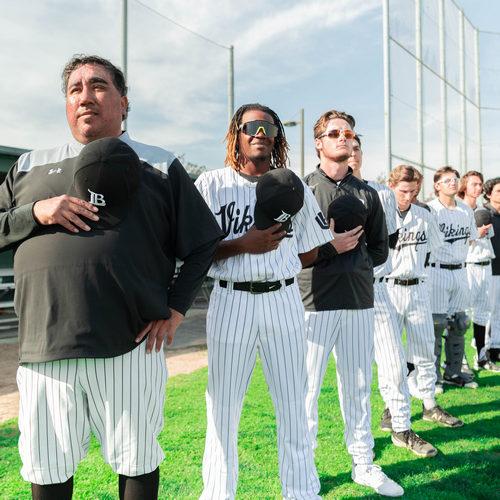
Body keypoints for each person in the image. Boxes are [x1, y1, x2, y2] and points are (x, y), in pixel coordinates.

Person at [1, 54, 222, 500]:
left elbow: (203, 243)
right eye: (75, 89)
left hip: (130, 344)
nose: (86, 96)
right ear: (66, 105)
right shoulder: (29, 165)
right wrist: (34, 213)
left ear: (123, 102)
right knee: (47, 469)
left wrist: (176, 310)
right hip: (45, 346)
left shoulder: (160, 165)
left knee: (137, 460)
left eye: (98, 86)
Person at [195, 103, 332, 500]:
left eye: (268, 125)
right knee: (222, 409)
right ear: (236, 134)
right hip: (230, 301)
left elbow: (313, 247)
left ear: (277, 135)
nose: (260, 131)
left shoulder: (294, 185)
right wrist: (242, 245)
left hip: (284, 300)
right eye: (250, 125)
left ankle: (302, 491)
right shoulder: (211, 184)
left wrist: (279, 260)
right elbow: (193, 252)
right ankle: (218, 493)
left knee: (293, 404)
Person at [298, 110, 403, 497]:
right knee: (306, 392)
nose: (343, 138)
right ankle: (304, 469)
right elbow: (291, 251)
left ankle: (363, 463)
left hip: (360, 300)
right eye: (334, 133)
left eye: (348, 133)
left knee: (359, 387)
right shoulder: (303, 189)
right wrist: (330, 249)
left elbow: (379, 250)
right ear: (319, 143)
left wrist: (352, 262)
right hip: (313, 303)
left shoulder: (369, 193)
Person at [349, 138, 437, 457]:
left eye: (356, 144)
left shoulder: (381, 194)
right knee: (336, 373)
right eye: (340, 139)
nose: (350, 149)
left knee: (395, 364)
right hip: (333, 291)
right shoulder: (314, 188)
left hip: (376, 286)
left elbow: (386, 243)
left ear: (361, 153)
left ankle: (401, 427)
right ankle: (325, 450)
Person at [386, 165, 463, 428]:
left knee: (424, 350)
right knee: (392, 355)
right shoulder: (382, 215)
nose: (408, 196)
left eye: (413, 191)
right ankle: (390, 407)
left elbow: (434, 247)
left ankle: (429, 404)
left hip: (418, 286)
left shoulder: (424, 214)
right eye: (403, 191)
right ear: (392, 187)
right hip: (390, 287)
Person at [428, 167, 479, 390]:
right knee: (436, 324)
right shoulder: (430, 209)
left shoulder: (466, 210)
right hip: (436, 270)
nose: (453, 183)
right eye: (447, 180)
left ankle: (454, 372)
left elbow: (471, 239)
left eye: (455, 180)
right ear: (437, 185)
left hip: (460, 270)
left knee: (460, 323)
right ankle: (433, 377)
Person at [457, 171, 498, 372]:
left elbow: (487, 239)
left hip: (485, 265)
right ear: (464, 186)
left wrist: (481, 233)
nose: (478, 188)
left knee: (483, 314)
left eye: (480, 184)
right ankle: (461, 360)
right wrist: (475, 234)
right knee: (463, 315)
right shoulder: (457, 210)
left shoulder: (484, 211)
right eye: (474, 184)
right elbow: (453, 243)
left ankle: (481, 357)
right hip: (468, 266)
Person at [483, 178, 500, 364]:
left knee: (499, 312)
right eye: (498, 191)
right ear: (488, 194)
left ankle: (497, 347)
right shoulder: (484, 214)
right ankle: (486, 348)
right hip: (490, 270)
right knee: (490, 311)